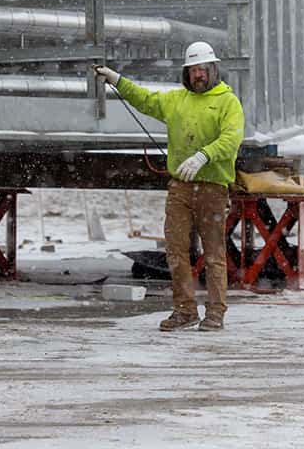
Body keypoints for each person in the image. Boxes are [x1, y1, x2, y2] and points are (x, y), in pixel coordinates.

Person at [94, 41, 244, 332]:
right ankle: (184, 310)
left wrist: (203, 156)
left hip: (213, 188)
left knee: (213, 255)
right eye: (193, 71)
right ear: (186, 74)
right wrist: (117, 81)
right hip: (180, 189)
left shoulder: (228, 102)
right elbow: (145, 99)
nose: (198, 75)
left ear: (213, 71)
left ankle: (215, 312)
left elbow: (231, 139)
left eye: (203, 70)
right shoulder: (176, 101)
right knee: (176, 252)